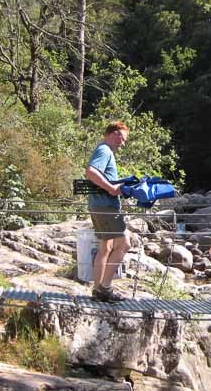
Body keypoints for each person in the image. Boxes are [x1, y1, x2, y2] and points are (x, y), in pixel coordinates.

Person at [85, 121, 131, 302]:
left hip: (97, 205)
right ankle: (105, 288)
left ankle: (97, 289)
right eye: (123, 139)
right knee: (125, 243)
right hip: (106, 205)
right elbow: (90, 172)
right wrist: (112, 188)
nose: (123, 143)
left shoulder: (103, 150)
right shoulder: (104, 150)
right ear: (115, 134)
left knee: (106, 246)